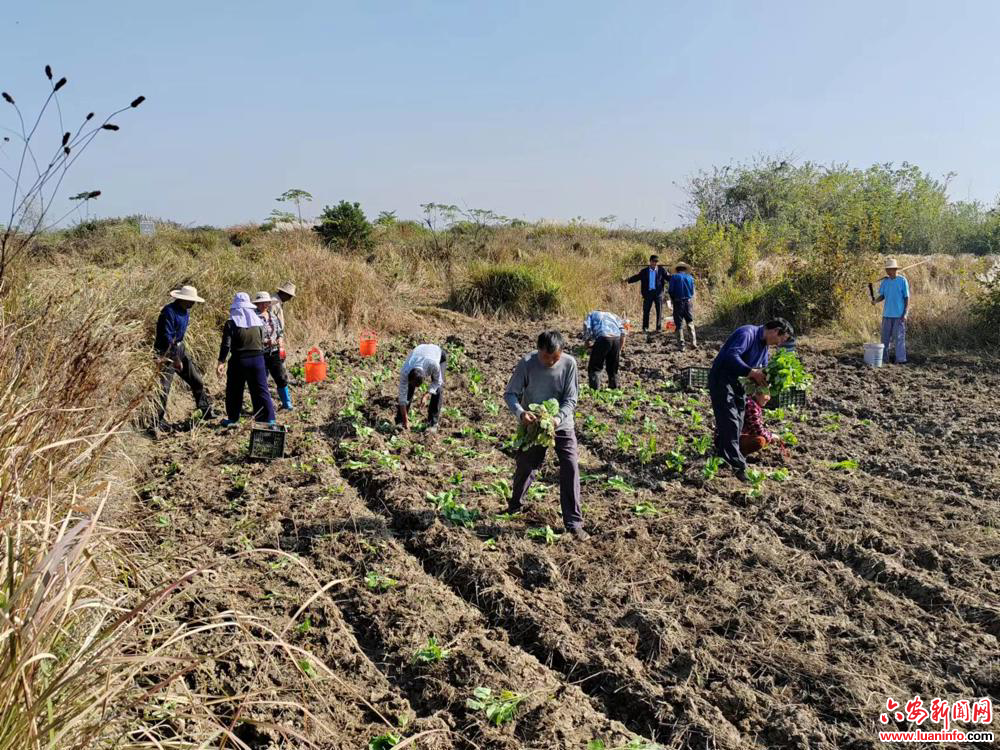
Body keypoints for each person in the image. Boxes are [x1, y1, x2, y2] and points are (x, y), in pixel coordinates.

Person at [503, 331, 588, 542]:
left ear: (561, 352)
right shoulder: (527, 363)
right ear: (538, 349)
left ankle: (574, 522)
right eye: (546, 357)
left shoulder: (569, 364)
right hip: (533, 424)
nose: (550, 361)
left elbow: (571, 399)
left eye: (555, 357)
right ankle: (515, 505)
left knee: (570, 466)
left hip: (561, 424)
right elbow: (510, 394)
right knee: (527, 465)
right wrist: (521, 413)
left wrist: (557, 419)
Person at [708, 318, 793, 479]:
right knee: (731, 421)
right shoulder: (747, 333)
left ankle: (722, 453)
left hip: (739, 386)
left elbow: (760, 371)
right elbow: (731, 355)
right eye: (782, 338)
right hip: (722, 380)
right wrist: (752, 372)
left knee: (738, 421)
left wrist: (766, 380)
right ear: (776, 331)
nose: (780, 343)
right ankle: (738, 466)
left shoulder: (764, 348)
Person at [153, 285, 213, 433]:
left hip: (179, 348)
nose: (193, 303)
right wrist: (175, 359)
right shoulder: (168, 312)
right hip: (165, 352)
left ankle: (205, 410)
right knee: (164, 389)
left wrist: (179, 354)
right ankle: (155, 423)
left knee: (196, 379)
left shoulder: (185, 311)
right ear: (181, 299)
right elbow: (167, 337)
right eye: (190, 300)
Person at [216, 292, 275, 427]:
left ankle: (233, 418)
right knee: (261, 389)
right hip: (258, 360)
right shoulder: (258, 322)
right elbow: (263, 340)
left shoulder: (231, 323)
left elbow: (226, 344)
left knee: (234, 390)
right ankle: (268, 418)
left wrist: (221, 361)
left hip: (239, 361)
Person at [253, 291, 292, 410]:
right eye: (262, 303)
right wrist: (265, 341)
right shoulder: (253, 318)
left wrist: (280, 339)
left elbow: (279, 331)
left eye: (266, 303)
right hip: (260, 353)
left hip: (274, 352)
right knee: (261, 380)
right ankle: (263, 406)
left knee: (280, 377)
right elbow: (252, 337)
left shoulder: (272, 316)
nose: (264, 305)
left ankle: (286, 403)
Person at [397, 343, 446, 431]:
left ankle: (432, 424)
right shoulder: (405, 371)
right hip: (420, 351)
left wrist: (427, 394)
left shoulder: (434, 365)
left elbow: (437, 381)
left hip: (437, 354)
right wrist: (405, 419)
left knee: (438, 389)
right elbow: (402, 397)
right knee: (408, 389)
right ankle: (401, 421)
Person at [872, 258, 909, 364]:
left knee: (899, 338)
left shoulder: (902, 281)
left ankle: (900, 360)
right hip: (887, 314)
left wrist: (905, 312)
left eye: (890, 269)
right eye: (887, 269)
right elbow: (882, 295)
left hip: (899, 315)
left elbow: (907, 297)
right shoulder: (885, 282)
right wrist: (875, 301)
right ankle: (884, 359)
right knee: (884, 339)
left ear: (895, 269)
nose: (888, 271)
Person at [581, 310, 627, 389]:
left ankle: (594, 390)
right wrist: (619, 348)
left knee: (595, 367)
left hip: (603, 337)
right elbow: (623, 332)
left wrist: (587, 346)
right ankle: (614, 388)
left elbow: (587, 328)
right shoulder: (613, 314)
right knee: (612, 368)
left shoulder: (590, 315)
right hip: (616, 338)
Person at [624, 254, 670, 332]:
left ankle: (658, 328)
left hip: (658, 293)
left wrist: (677, 277)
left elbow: (668, 278)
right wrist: (627, 280)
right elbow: (637, 277)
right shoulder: (644, 271)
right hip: (648, 293)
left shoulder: (661, 270)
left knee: (659, 311)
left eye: (656, 262)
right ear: (650, 261)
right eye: (653, 261)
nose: (654, 263)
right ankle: (645, 328)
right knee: (646, 311)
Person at [668, 261, 697, 351]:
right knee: (690, 322)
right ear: (685, 270)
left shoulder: (674, 277)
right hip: (688, 302)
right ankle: (693, 342)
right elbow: (692, 292)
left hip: (678, 302)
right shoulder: (690, 278)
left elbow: (671, 290)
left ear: (676, 270)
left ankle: (681, 345)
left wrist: (673, 300)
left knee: (679, 324)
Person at [740, 390, 776, 456]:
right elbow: (757, 430)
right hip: (733, 440)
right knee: (760, 441)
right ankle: (738, 454)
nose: (768, 398)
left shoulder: (751, 402)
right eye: (766, 394)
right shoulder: (751, 405)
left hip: (731, 438)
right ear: (757, 393)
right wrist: (770, 436)